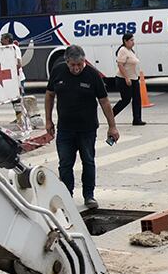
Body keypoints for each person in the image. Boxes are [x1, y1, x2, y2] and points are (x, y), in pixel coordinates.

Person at [44, 45, 119, 208]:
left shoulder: (92, 75)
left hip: (87, 129)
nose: (77, 68)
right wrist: (48, 120)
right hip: (65, 129)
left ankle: (89, 195)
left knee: (88, 161)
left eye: (80, 64)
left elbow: (104, 101)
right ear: (67, 62)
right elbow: (49, 95)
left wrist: (112, 126)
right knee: (65, 163)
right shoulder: (58, 71)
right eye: (73, 65)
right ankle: (67, 195)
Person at [113, 33, 147, 126]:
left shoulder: (130, 51)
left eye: (133, 40)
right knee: (126, 100)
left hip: (134, 78)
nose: (133, 42)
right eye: (131, 40)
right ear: (125, 41)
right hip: (123, 79)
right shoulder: (123, 50)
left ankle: (137, 119)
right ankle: (111, 115)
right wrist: (126, 78)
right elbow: (120, 65)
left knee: (137, 99)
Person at [0, 32, 28, 127]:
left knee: (20, 99)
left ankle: (25, 119)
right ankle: (19, 118)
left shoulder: (14, 48)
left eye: (2, 39)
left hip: (18, 79)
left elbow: (18, 63)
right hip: (11, 79)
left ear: (7, 39)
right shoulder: (4, 50)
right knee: (14, 100)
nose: (1, 41)